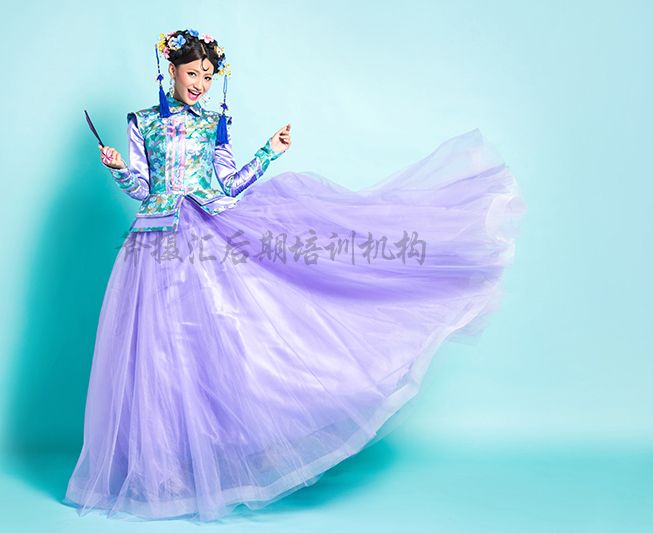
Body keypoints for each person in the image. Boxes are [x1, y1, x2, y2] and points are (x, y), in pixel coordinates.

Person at [62, 28, 527, 522]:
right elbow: (142, 187)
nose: (200, 84)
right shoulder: (143, 122)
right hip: (155, 241)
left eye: (208, 76)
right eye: (192, 73)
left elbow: (229, 184)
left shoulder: (215, 122)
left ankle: (244, 450)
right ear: (170, 70)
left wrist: (268, 151)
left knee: (225, 341)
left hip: (211, 232)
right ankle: (166, 470)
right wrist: (118, 168)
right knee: (159, 354)